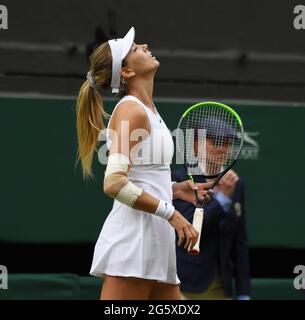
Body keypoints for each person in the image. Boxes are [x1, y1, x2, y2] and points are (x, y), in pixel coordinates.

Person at [75, 27, 211, 300]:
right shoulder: (130, 110)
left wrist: (175, 188)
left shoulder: (149, 110)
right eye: (135, 48)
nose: (145, 45)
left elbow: (141, 176)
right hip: (134, 242)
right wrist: (170, 213)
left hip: (156, 242)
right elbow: (114, 183)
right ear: (125, 72)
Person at [172, 121, 251, 300]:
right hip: (184, 283)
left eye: (226, 142)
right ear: (196, 144)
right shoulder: (179, 179)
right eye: (214, 141)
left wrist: (244, 292)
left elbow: (240, 241)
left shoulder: (236, 185)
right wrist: (222, 199)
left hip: (222, 285)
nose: (221, 148)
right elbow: (189, 225)